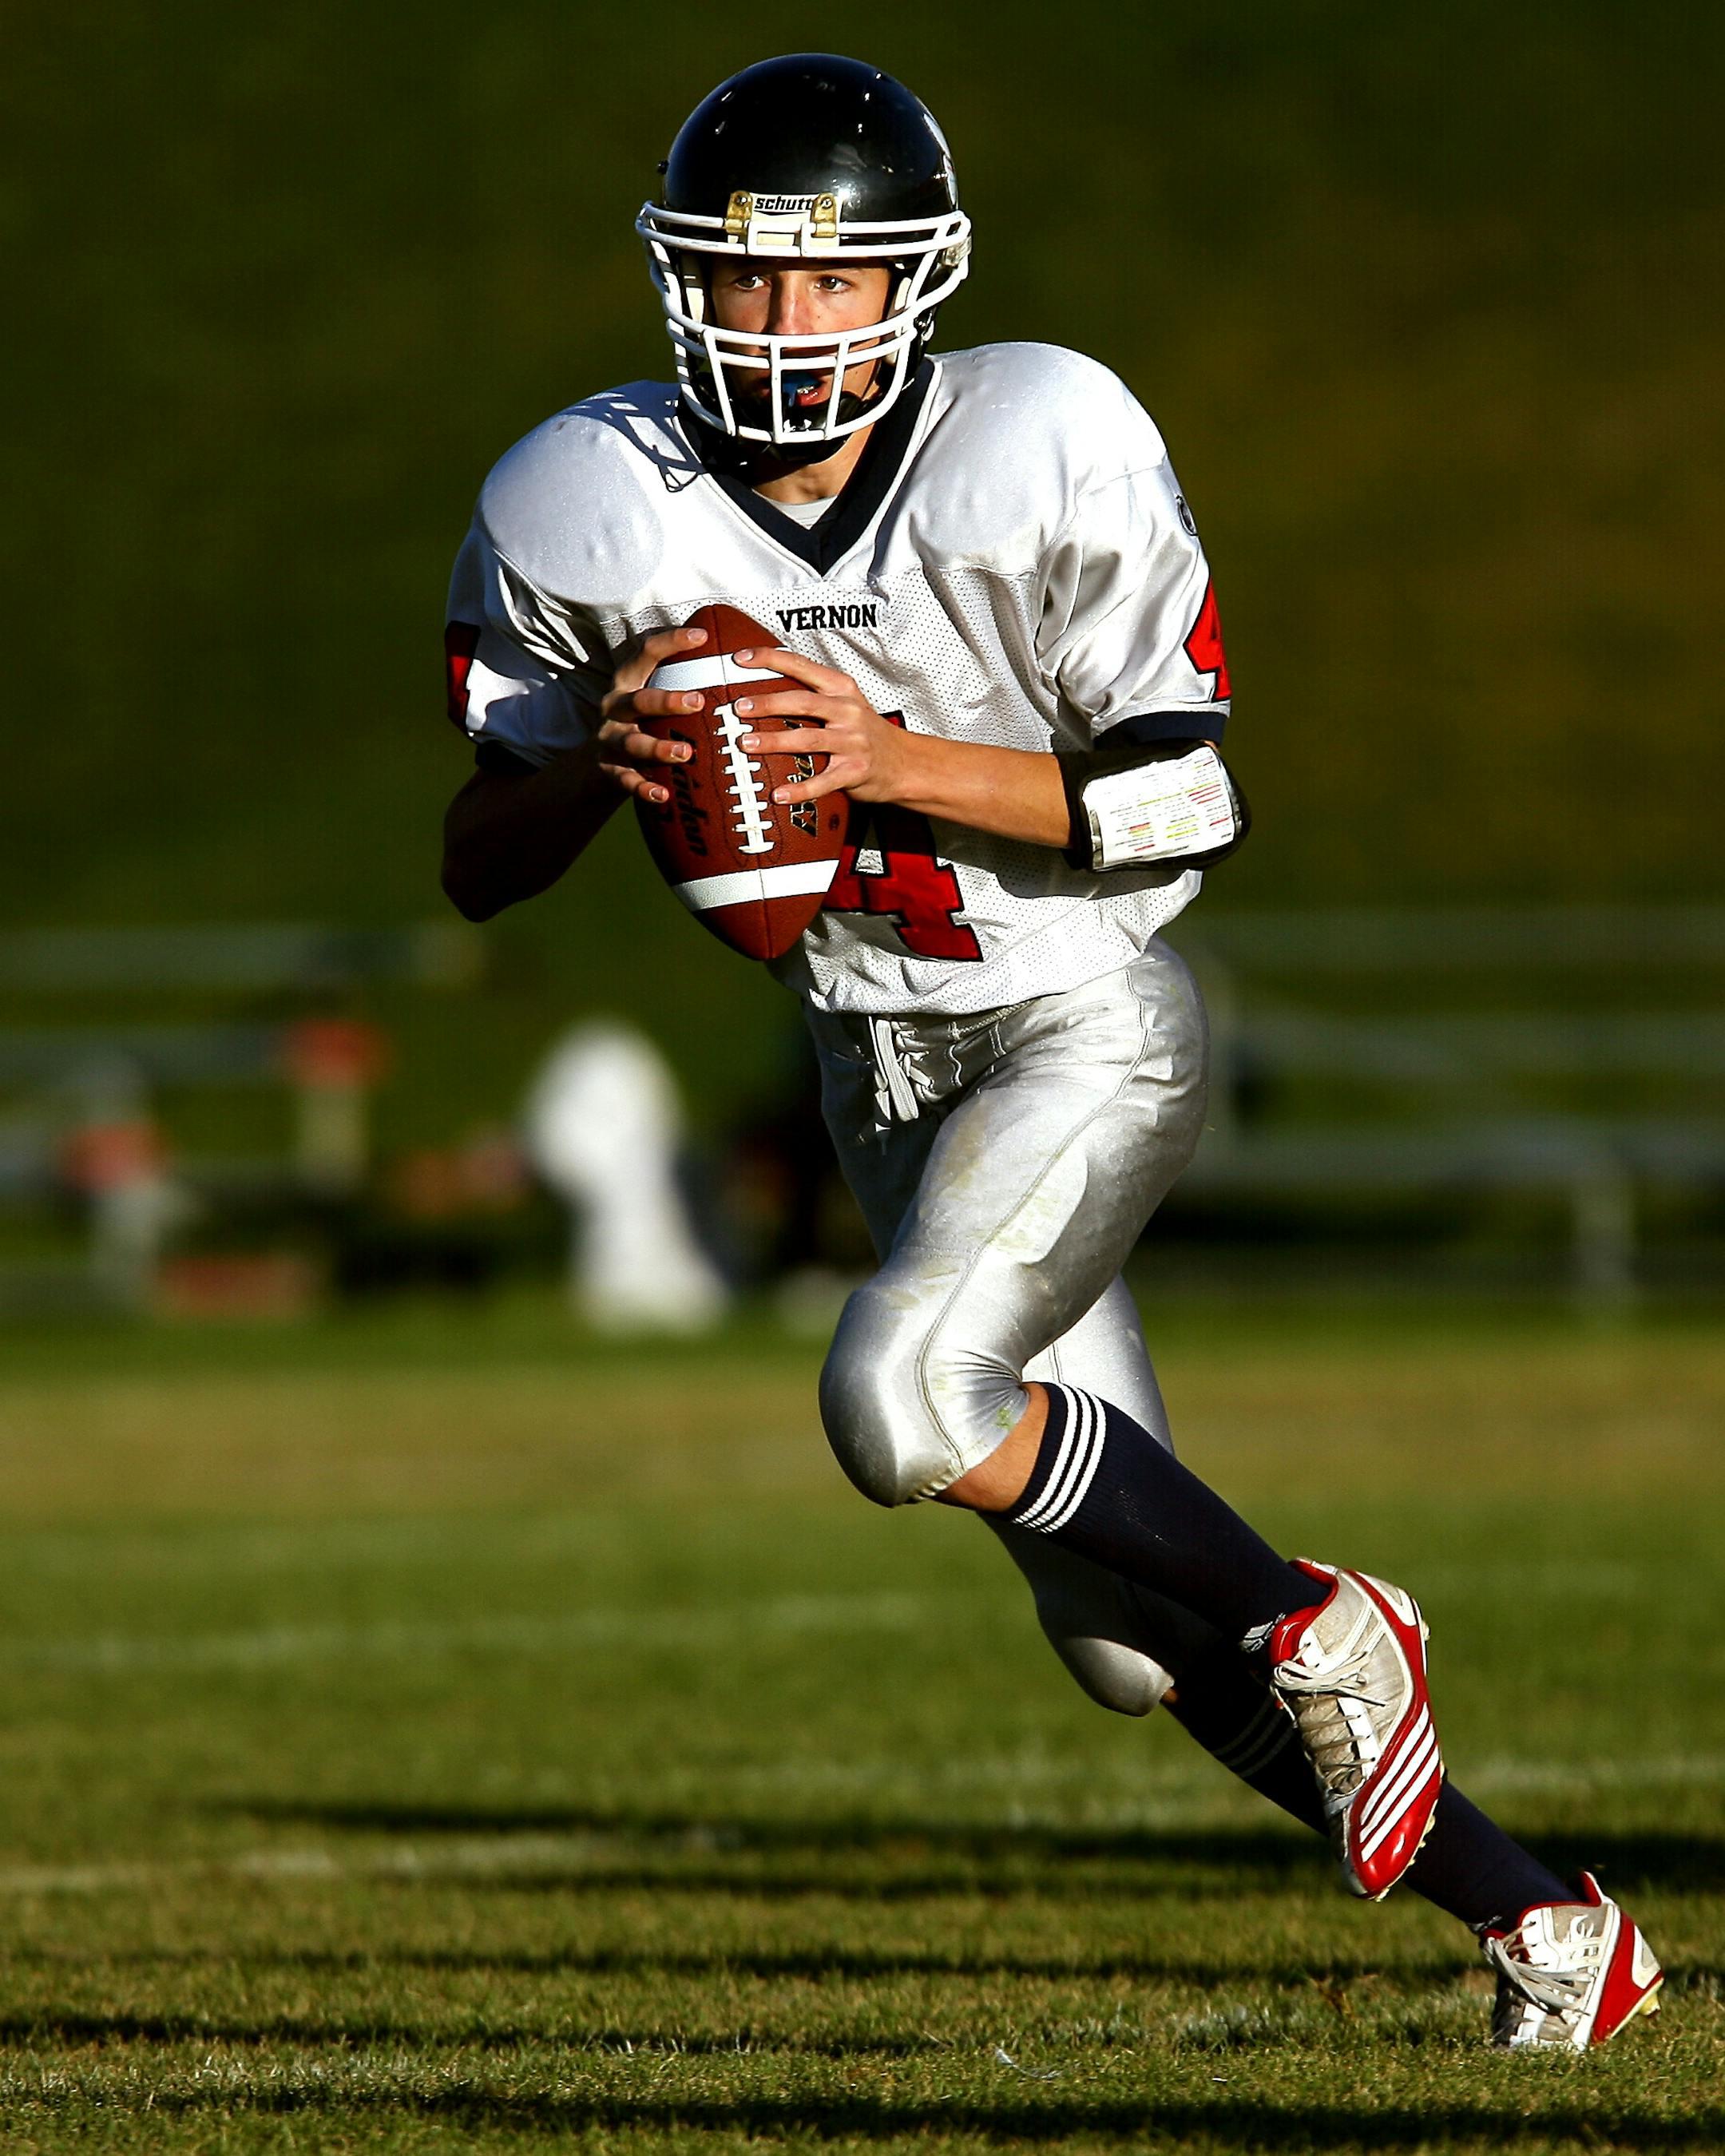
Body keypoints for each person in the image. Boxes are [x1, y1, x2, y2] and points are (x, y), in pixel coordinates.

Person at [438, 54, 1661, 2049]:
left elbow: (1191, 802)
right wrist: (597, 750)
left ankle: (1314, 1618)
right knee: (1114, 1642)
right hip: (879, 1071)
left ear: (914, 282)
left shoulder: (1043, 431)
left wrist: (882, 757)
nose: (784, 326)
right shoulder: (583, 499)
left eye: (829, 284)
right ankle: (1549, 1927)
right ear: (680, 289)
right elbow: (479, 860)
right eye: (745, 284)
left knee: (902, 1400)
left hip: (1083, 1018)